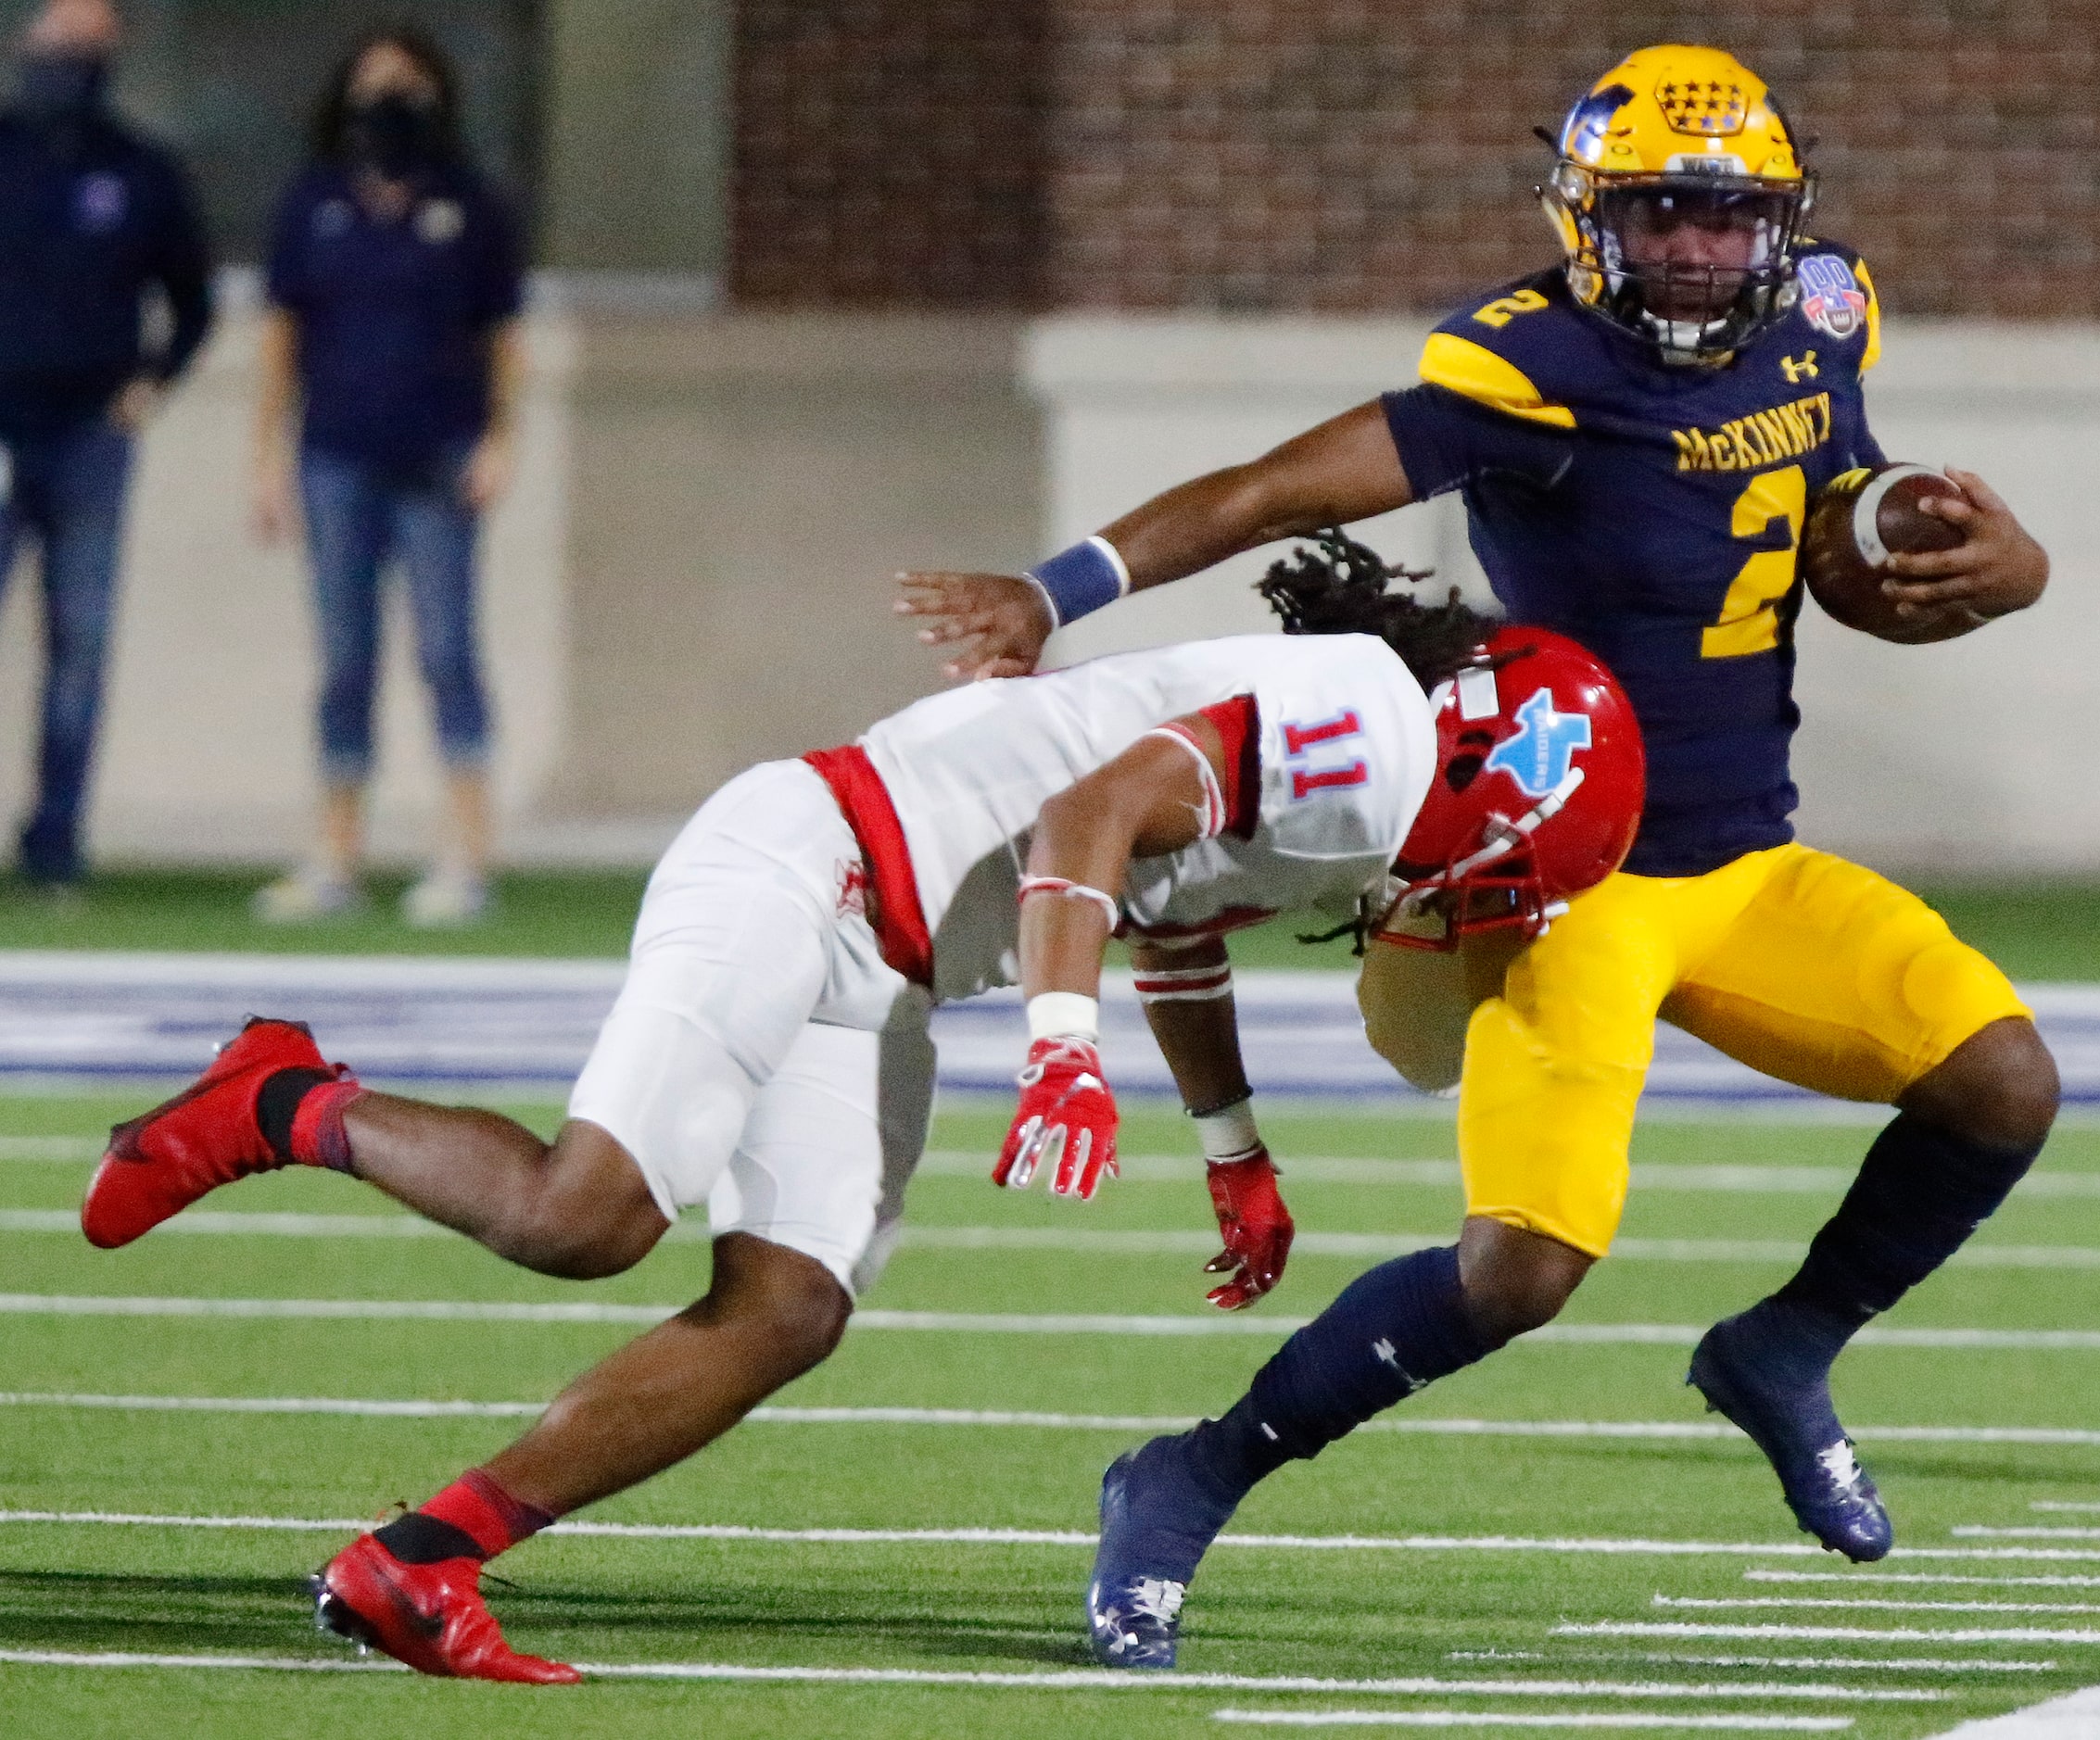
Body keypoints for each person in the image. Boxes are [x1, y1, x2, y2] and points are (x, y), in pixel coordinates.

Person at [896, 44, 2063, 1667]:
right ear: (1588, 217)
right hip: (1562, 877)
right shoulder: (1524, 366)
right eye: (1658, 218)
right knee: (1518, 1271)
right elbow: (1270, 487)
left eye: (1728, 221)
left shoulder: (1824, 310)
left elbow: (1831, 519)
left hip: (1742, 859)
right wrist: (1054, 590)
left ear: (1778, 223)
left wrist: (1986, 564)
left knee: (2002, 1081)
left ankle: (1781, 1347)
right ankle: (1187, 1470)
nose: (1696, 253)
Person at [76, 536, 1642, 1683]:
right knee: (584, 1215)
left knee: (789, 1304)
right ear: (1494, 780)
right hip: (808, 857)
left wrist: (1229, 1146)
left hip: (884, 953)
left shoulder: (1368, 754)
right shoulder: (1368, 742)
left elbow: (1162, 900)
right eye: (1502, 874)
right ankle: (283, 1093)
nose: (1472, 909)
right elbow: (1084, 814)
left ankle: (422, 1559)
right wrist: (1056, 1047)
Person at [249, 27, 525, 927]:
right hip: (336, 456)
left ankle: (466, 855)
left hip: (440, 454)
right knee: (344, 660)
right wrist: (265, 458)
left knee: (447, 652)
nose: (392, 103)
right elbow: (282, 338)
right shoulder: (315, 204)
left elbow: (503, 335)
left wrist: (499, 437)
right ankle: (335, 855)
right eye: (375, 86)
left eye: (408, 86)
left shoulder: (471, 207)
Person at [0, 0, 210, 890]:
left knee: (79, 641)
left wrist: (149, 383)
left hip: (90, 432)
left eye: (88, 47)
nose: (70, 63)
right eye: (58, 44)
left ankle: (55, 845)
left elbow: (192, 300)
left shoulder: (141, 170)